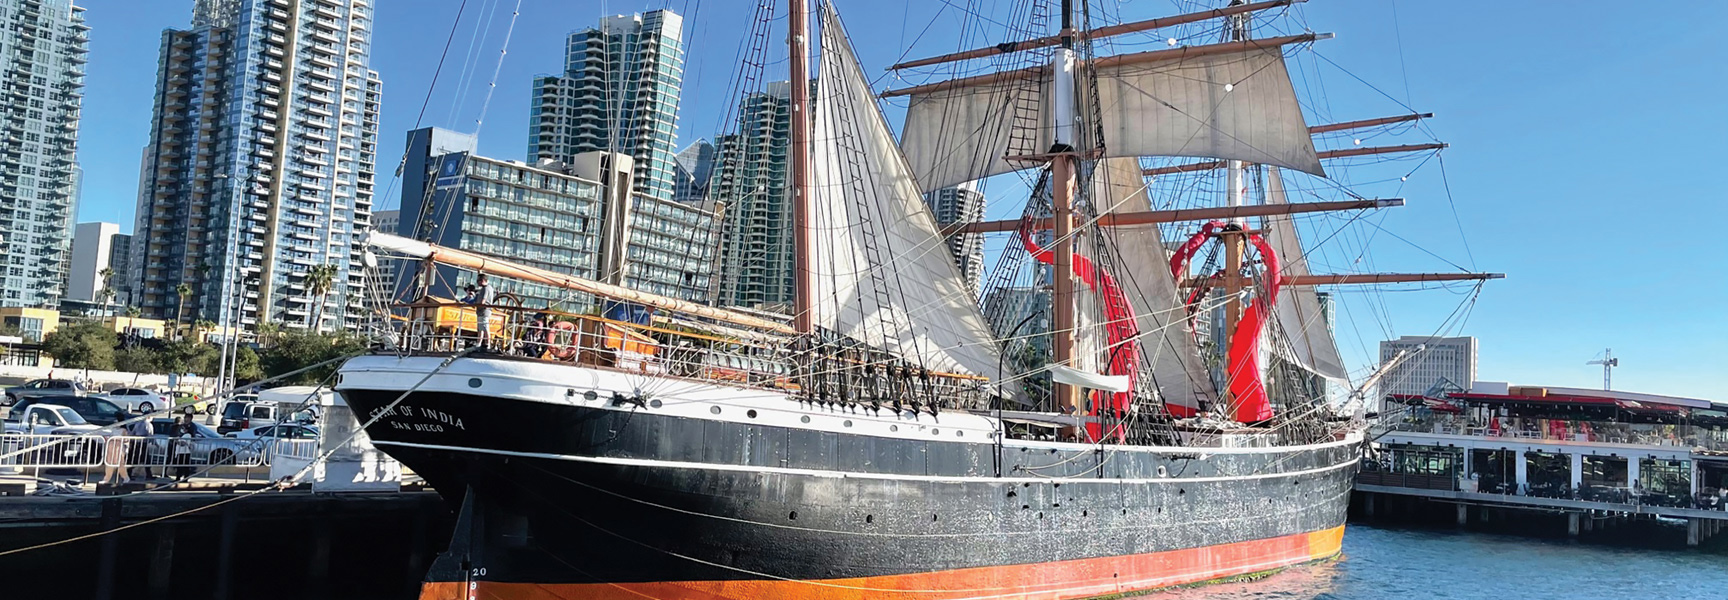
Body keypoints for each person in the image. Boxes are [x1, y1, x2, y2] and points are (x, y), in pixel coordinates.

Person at [99, 422, 130, 486]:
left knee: (120, 464)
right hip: (111, 448)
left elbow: (126, 440)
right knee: (109, 463)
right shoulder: (113, 429)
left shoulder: (123, 430)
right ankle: (106, 479)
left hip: (119, 448)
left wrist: (126, 448)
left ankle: (126, 477)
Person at [126, 411, 154, 480]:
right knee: (145, 460)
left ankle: (148, 474)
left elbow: (132, 433)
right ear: (149, 417)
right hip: (143, 444)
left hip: (137, 443)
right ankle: (148, 475)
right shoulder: (148, 424)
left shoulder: (137, 424)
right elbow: (150, 435)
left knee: (136, 459)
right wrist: (154, 443)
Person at [470, 274, 495, 349]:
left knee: (484, 327)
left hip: (483, 311)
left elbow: (483, 301)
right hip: (485, 311)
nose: (477, 282)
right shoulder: (490, 288)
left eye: (478, 281)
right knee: (482, 328)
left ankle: (487, 344)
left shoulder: (485, 289)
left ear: (483, 280)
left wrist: (476, 304)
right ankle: (479, 343)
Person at [172, 414, 197, 482]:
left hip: (187, 449)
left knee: (186, 463)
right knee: (179, 463)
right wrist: (177, 440)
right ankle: (178, 477)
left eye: (187, 418)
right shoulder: (181, 426)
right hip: (179, 448)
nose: (186, 419)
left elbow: (192, 436)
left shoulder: (192, 426)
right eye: (185, 417)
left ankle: (186, 478)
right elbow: (177, 434)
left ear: (191, 418)